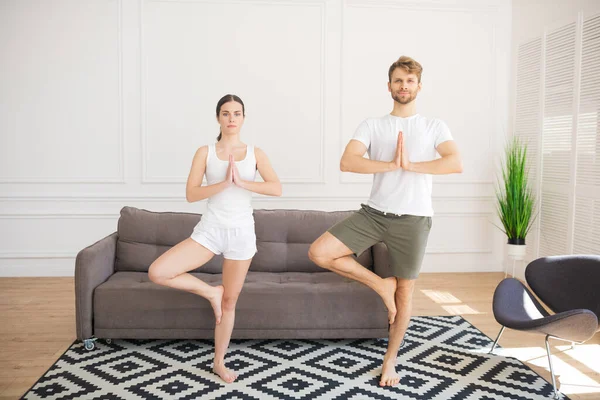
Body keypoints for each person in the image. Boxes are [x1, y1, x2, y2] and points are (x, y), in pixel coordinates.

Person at [308, 56, 463, 387]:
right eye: (397, 80)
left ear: (419, 86)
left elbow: (455, 163)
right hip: (375, 213)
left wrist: (411, 165)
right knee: (320, 252)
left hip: (414, 219)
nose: (403, 86)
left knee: (405, 292)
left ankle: (390, 361)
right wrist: (390, 164)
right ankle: (381, 285)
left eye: (409, 81)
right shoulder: (372, 125)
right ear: (389, 85)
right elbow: (347, 162)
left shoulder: (434, 126)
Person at [148, 94, 282, 384]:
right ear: (218, 118)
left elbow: (276, 188)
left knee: (230, 303)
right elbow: (191, 193)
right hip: (210, 230)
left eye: (237, 113)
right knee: (158, 271)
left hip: (241, 234)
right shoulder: (204, 152)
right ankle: (211, 293)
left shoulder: (255, 153)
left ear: (243, 118)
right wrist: (222, 184)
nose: (231, 118)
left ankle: (218, 362)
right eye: (226, 113)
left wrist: (241, 182)